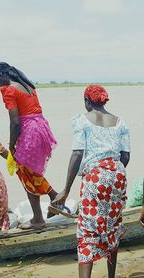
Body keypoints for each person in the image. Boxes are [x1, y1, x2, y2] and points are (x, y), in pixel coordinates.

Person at [52, 85, 131, 278]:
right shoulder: (120, 122)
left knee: (87, 229)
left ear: (87, 101)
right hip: (117, 175)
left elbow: (78, 153)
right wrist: (112, 176)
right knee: (111, 225)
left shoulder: (82, 120)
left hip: (95, 177)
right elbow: (126, 156)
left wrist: (66, 189)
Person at [0, 62, 58, 229]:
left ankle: (38, 219)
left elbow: (15, 122)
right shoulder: (27, 86)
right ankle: (55, 197)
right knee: (31, 170)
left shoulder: (9, 90)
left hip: (29, 132)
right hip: (41, 129)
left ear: (2, 75)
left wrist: (12, 144)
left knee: (24, 172)